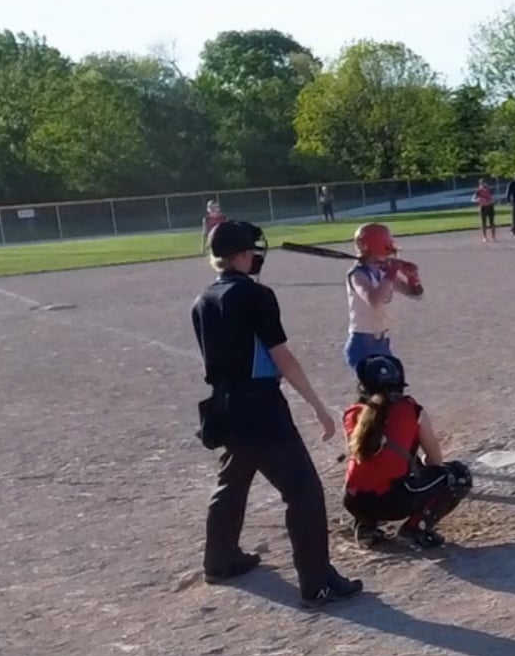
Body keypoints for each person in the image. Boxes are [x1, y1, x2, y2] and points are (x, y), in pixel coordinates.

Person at [191, 220, 363, 609]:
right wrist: (318, 406)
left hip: (223, 405)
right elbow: (281, 356)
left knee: (233, 481)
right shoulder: (255, 295)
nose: (255, 256)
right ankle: (317, 582)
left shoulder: (203, 299)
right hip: (261, 406)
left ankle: (220, 559)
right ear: (241, 255)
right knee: (303, 492)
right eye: (251, 250)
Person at [343, 353, 472, 550]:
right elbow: (435, 461)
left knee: (375, 473)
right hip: (393, 503)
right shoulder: (412, 410)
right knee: (458, 475)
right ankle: (416, 528)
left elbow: (359, 456)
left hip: (354, 500)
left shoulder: (352, 414)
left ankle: (366, 526)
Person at [345, 222, 423, 371]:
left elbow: (417, 295)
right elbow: (374, 301)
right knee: (378, 385)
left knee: (394, 383)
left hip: (382, 343)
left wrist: (413, 278)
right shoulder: (357, 275)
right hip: (362, 345)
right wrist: (391, 273)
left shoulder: (382, 271)